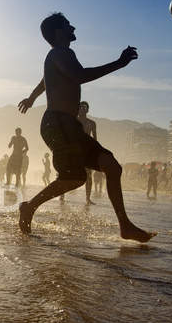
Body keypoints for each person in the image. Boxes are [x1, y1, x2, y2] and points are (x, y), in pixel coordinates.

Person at [16, 12, 154, 242]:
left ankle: (125, 226)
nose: (73, 28)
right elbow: (78, 76)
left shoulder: (56, 56)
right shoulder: (60, 52)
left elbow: (45, 80)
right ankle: (29, 207)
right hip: (57, 123)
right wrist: (119, 63)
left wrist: (31, 98)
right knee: (75, 178)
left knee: (112, 167)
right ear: (59, 32)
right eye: (68, 25)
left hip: (67, 124)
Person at [77, 101, 97, 204]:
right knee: (65, 173)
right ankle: (61, 196)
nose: (82, 109)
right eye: (80, 107)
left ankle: (88, 198)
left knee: (89, 176)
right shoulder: (73, 121)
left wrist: (95, 153)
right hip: (74, 150)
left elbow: (95, 139)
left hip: (87, 151)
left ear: (88, 110)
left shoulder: (92, 123)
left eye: (84, 108)